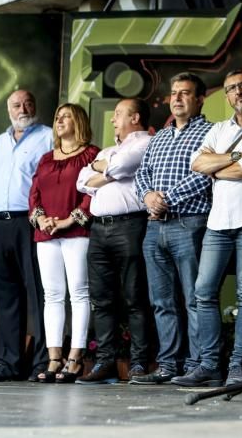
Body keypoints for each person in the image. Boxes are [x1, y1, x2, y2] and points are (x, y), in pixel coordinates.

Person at [172, 70, 242, 387]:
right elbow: (197, 165)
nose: (237, 92)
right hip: (218, 221)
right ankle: (210, 364)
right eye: (231, 89)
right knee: (203, 292)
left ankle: (237, 366)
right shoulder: (218, 129)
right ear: (226, 96)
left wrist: (219, 166)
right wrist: (232, 156)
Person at [134, 72, 213, 384]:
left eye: (185, 93)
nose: (177, 98)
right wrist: (148, 196)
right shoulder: (161, 136)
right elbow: (143, 172)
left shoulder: (210, 132)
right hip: (154, 227)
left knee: (194, 298)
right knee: (162, 301)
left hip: (189, 223)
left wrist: (166, 198)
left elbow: (206, 174)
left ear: (200, 98)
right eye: (174, 92)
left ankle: (197, 365)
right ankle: (169, 365)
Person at [0, 89, 53, 382]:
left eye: (28, 103)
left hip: (30, 221)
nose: (23, 108)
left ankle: (43, 363)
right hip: (1, 224)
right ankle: (8, 364)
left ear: (35, 106)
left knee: (39, 293)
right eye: (16, 104)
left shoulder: (47, 137)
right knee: (7, 296)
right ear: (8, 109)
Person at [77, 98, 153, 384]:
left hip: (129, 226)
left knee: (135, 297)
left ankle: (138, 363)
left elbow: (120, 167)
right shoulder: (109, 150)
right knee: (101, 299)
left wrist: (101, 169)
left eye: (119, 114)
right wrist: (104, 167)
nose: (112, 120)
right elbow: (81, 181)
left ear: (135, 118)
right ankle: (105, 361)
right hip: (98, 229)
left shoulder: (144, 143)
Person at [27, 103, 98, 383]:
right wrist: (41, 218)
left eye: (66, 116)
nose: (60, 120)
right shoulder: (46, 158)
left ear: (78, 121)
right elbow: (34, 194)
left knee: (79, 293)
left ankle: (75, 358)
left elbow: (93, 191)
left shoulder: (91, 154)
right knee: (53, 296)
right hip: (46, 234)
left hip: (76, 232)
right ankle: (54, 357)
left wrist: (70, 220)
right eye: (57, 116)